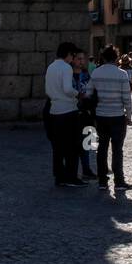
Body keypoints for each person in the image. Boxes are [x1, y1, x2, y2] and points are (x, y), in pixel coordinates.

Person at [88, 45, 132, 191]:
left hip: (101, 116)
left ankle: (102, 181)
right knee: (117, 150)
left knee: (102, 148)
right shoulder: (122, 74)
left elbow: (89, 92)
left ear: (103, 57)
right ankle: (119, 181)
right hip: (117, 116)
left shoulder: (96, 73)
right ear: (116, 58)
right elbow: (127, 98)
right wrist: (129, 114)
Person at [44, 42, 84, 188]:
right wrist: (78, 94)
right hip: (68, 110)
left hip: (54, 111)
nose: (73, 58)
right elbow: (68, 89)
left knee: (58, 147)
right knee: (72, 147)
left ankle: (59, 177)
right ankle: (71, 177)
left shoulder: (50, 67)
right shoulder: (66, 68)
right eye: (73, 55)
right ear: (68, 54)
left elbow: (47, 90)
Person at [72, 50, 97, 180]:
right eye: (78, 58)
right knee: (76, 144)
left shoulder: (86, 75)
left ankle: (87, 169)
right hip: (74, 112)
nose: (81, 61)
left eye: (83, 59)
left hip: (87, 113)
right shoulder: (69, 75)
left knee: (88, 142)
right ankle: (74, 171)